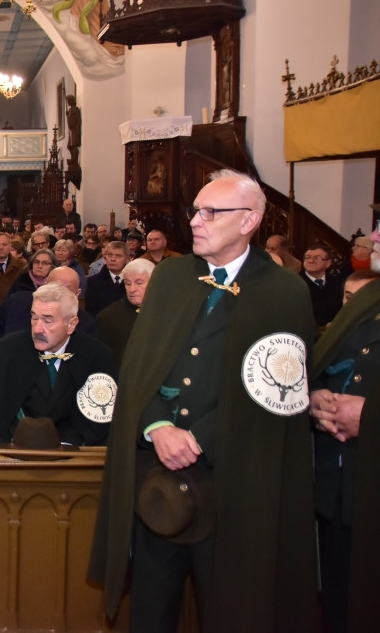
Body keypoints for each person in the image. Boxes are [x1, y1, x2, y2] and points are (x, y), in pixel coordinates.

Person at [89, 170, 319, 632]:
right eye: (196, 210)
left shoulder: (283, 291)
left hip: (233, 485)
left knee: (232, 608)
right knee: (151, 612)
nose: (196, 220)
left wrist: (195, 438)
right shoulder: (172, 276)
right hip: (155, 479)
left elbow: (277, 393)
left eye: (212, 212)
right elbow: (138, 368)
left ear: (250, 220)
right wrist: (158, 428)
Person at [309, 241, 380, 632]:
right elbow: (317, 372)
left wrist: (367, 415)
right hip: (333, 487)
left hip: (369, 484)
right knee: (335, 597)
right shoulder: (345, 329)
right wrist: (316, 396)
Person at [0, 281, 116, 447]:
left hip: (76, 455)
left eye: (48, 320)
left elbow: (100, 421)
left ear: (71, 325)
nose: (37, 329)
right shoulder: (7, 350)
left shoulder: (96, 356)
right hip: (16, 451)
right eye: (34, 317)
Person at [96, 257, 154, 370]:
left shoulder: (167, 313)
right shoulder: (108, 317)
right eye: (128, 283)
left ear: (154, 282)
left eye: (139, 283)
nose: (132, 289)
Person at [303, 244, 344, 329]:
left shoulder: (338, 283)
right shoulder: (297, 282)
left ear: (328, 263)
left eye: (317, 258)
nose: (310, 260)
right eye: (307, 257)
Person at [85, 240, 128, 316]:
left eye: (118, 256)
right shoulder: (93, 282)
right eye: (110, 255)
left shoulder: (132, 281)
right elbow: (91, 312)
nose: (113, 259)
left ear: (127, 259)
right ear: (105, 257)